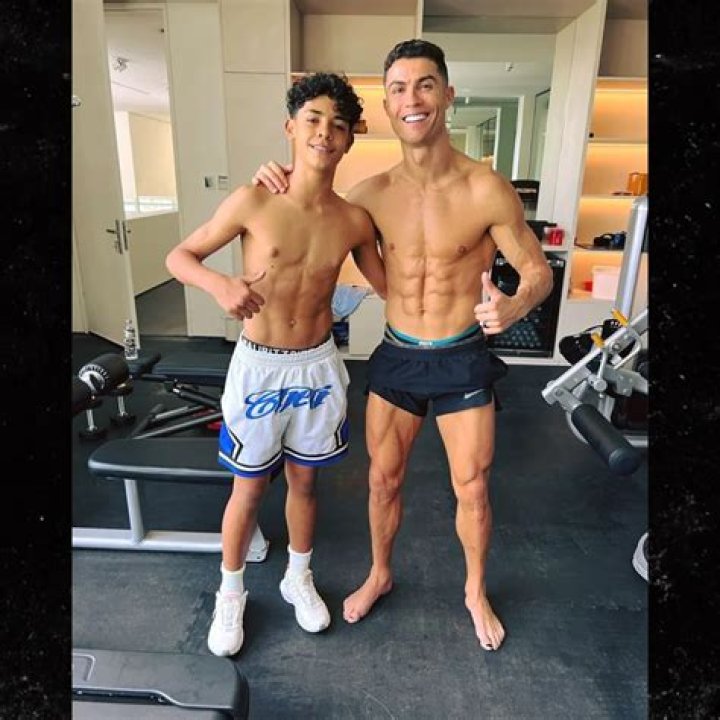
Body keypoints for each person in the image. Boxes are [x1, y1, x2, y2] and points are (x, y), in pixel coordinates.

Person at [251, 39, 553, 652]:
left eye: (424, 84)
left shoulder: (485, 189)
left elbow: (538, 271)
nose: (411, 98)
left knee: (473, 486)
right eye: (397, 88)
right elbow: (306, 210)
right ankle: (380, 573)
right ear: (386, 107)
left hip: (462, 353)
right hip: (398, 353)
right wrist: (271, 179)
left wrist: (515, 303)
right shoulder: (368, 196)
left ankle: (474, 590)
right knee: (382, 482)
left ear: (447, 94)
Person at [165, 72, 386, 657]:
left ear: (350, 139)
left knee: (306, 482)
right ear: (291, 128)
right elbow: (180, 256)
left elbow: (394, 286)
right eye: (313, 119)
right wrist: (219, 284)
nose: (324, 133)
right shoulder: (254, 199)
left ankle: (298, 577)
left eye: (338, 125)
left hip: (317, 365)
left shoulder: (353, 219)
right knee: (248, 487)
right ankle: (231, 592)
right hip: (259, 365)